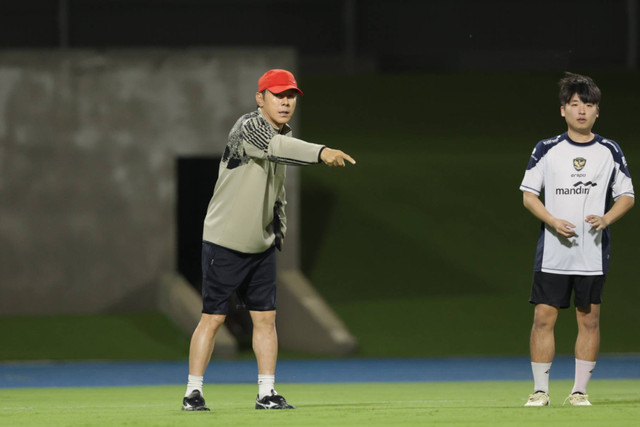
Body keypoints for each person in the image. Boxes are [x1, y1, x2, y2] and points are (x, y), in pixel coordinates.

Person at [181, 69, 356, 411]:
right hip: (225, 241)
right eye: (278, 95)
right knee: (213, 318)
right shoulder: (249, 128)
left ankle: (266, 392)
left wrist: (280, 227)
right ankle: (193, 392)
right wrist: (322, 152)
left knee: (265, 319)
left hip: (259, 246)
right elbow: (276, 148)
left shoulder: (279, 133)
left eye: (291, 95)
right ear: (260, 99)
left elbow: (276, 191)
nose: (286, 101)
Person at [519, 72, 634, 407]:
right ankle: (540, 391)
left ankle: (579, 391)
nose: (582, 110)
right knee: (543, 316)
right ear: (562, 110)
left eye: (589, 104)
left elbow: (626, 195)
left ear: (597, 111)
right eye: (575, 104)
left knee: (590, 317)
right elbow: (529, 195)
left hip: (592, 251)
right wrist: (553, 221)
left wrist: (607, 218)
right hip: (554, 252)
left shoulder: (609, 150)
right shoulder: (547, 149)